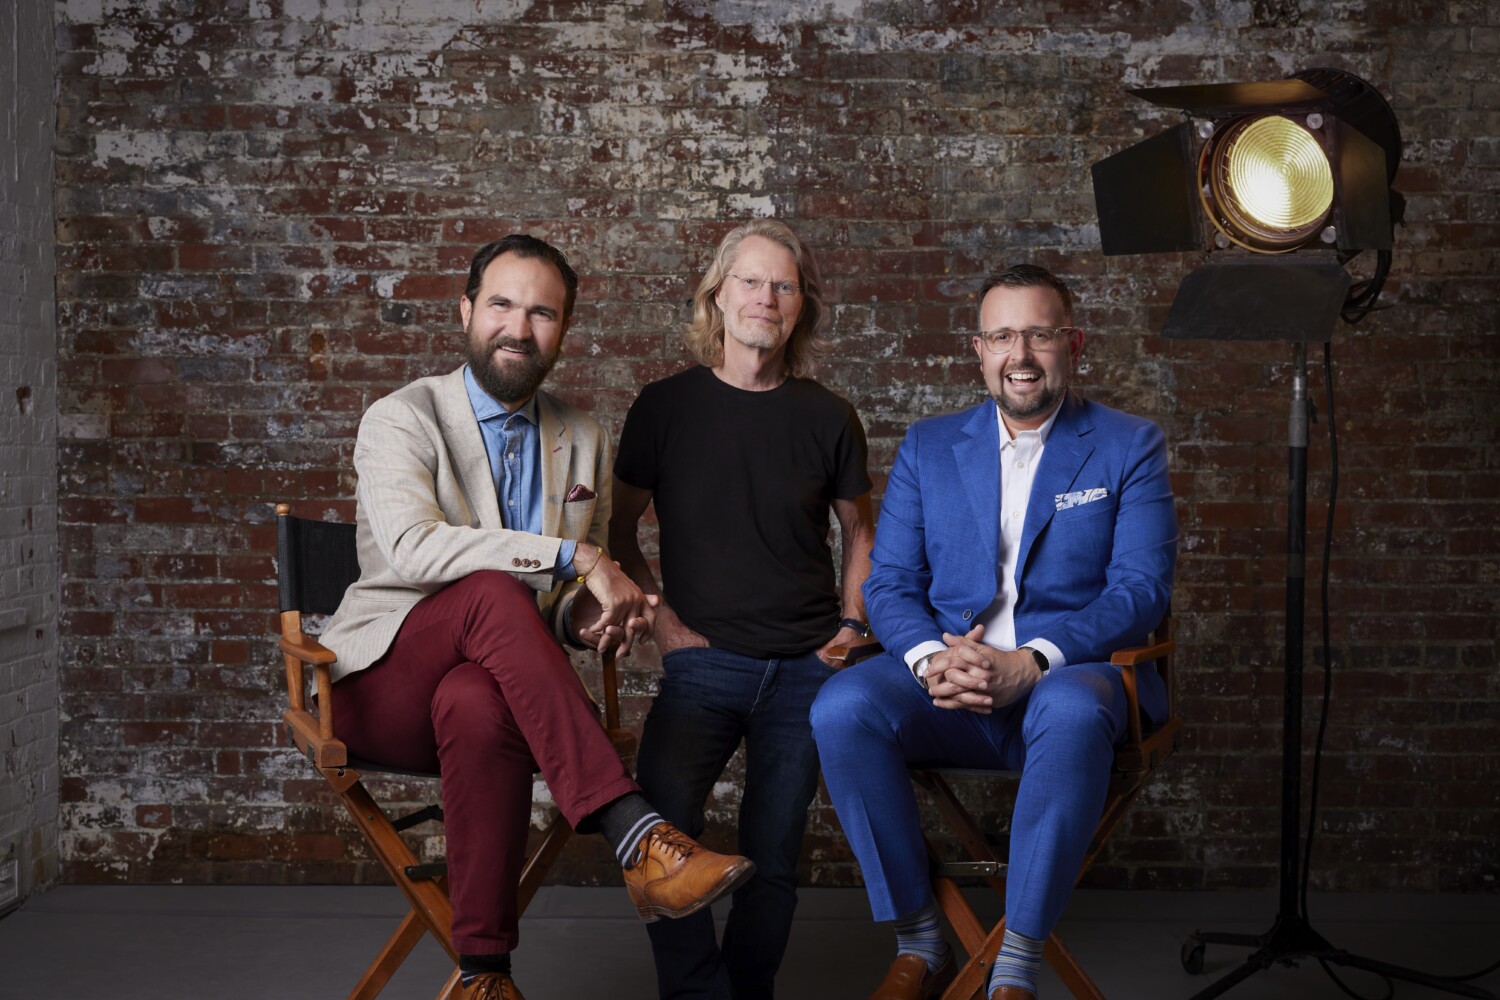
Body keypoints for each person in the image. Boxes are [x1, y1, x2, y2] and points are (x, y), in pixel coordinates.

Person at [320, 234, 756, 1000]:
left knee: (478, 698)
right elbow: (416, 549)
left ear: (563, 329)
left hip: (488, 692)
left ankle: (485, 976)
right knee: (492, 592)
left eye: (541, 313)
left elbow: (552, 608)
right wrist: (576, 557)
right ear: (465, 311)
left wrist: (590, 618)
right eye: (501, 305)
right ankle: (634, 830)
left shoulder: (582, 437)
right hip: (379, 686)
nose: (518, 328)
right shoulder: (402, 418)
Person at [810, 264, 1177, 1000]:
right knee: (841, 707)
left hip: (1069, 680)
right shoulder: (928, 445)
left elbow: (1141, 588)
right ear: (978, 351)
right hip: (946, 685)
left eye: (1040, 334)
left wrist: (1032, 660)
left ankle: (1014, 966)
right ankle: (920, 941)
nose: (1021, 354)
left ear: (1074, 344)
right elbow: (889, 583)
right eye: (1003, 336)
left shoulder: (1129, 443)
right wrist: (927, 660)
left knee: (1071, 709)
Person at [610, 219, 875, 999]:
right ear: (718, 297)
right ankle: (701, 994)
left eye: (783, 286)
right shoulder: (663, 407)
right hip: (701, 663)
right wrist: (663, 623)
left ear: (800, 307)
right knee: (660, 842)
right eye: (751, 282)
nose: (766, 297)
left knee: (774, 859)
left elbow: (861, 532)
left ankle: (748, 991)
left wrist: (851, 628)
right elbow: (616, 531)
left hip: (806, 669)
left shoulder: (828, 415)